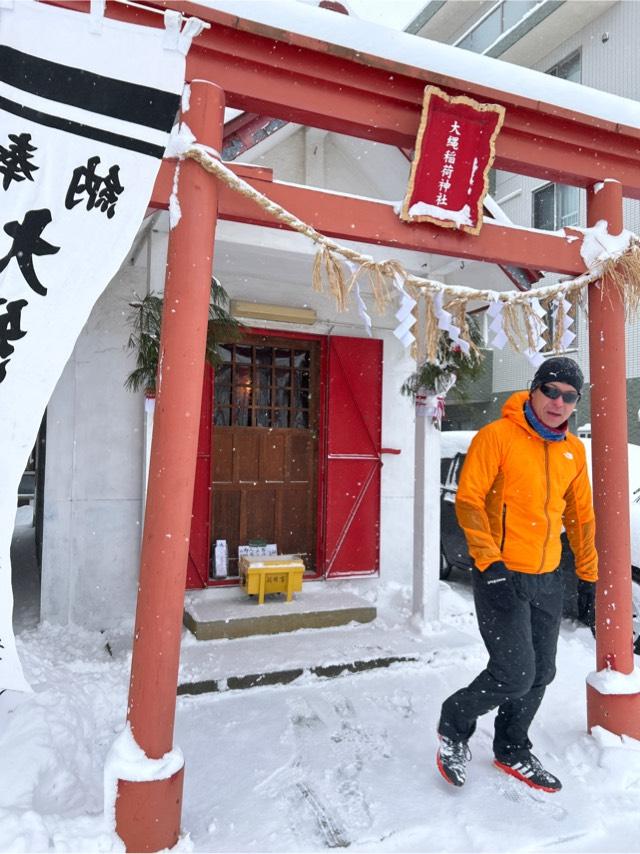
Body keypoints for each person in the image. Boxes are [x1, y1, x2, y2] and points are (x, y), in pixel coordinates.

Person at [436, 356, 597, 793]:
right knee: (514, 673)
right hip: (501, 575)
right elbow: (469, 501)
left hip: (547, 576)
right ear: (534, 389)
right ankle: (454, 722)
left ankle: (511, 747)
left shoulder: (572, 451)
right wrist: (489, 562)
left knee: (542, 672)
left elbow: (580, 517)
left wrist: (588, 577)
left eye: (569, 396)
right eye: (551, 391)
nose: (558, 402)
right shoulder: (497, 437)